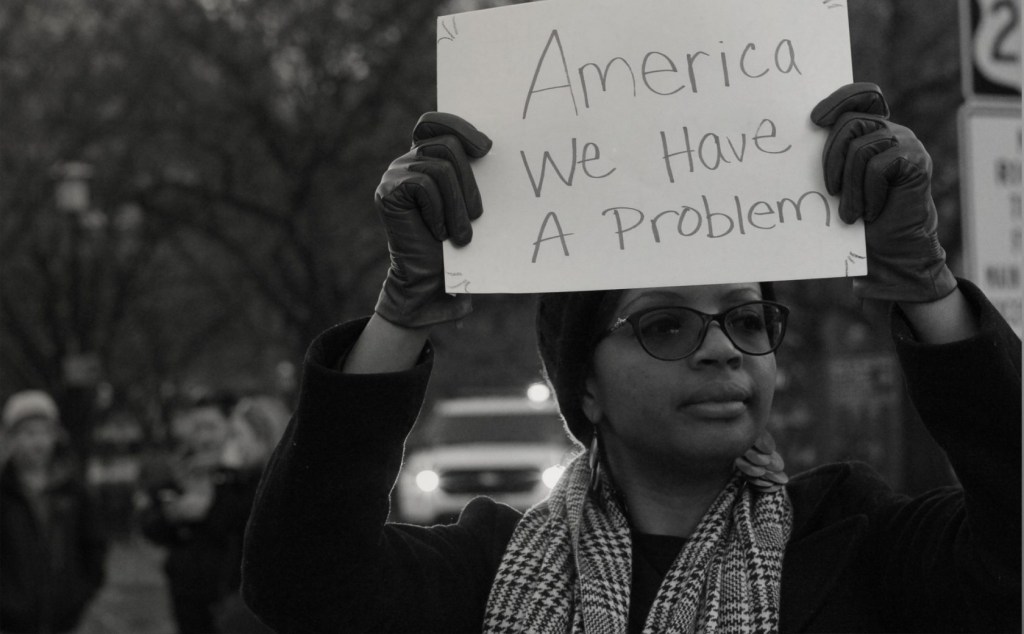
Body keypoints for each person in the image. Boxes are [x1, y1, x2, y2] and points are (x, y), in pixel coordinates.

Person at [240, 82, 1021, 633]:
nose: (721, 348)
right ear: (585, 388)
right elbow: (303, 582)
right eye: (667, 328)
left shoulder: (861, 543)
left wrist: (927, 290)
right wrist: (401, 312)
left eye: (748, 318)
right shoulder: (487, 571)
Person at [139, 391, 261, 634]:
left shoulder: (248, 474)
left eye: (211, 427)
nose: (204, 437)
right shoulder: (178, 471)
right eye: (197, 428)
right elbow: (149, 525)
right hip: (188, 595)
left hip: (237, 597)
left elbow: (248, 524)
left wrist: (208, 510)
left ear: (229, 428)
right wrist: (172, 517)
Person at [0, 390, 108, 634]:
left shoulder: (73, 490)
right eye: (28, 433)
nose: (38, 442)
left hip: (65, 621)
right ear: (11, 438)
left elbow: (94, 544)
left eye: (45, 432)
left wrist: (80, 594)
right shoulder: (4, 493)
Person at [215, 396, 290, 634]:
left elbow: (229, 521)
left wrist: (227, 473)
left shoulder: (267, 487)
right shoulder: (249, 480)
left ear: (262, 436)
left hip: (258, 607)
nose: (231, 445)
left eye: (237, 435)